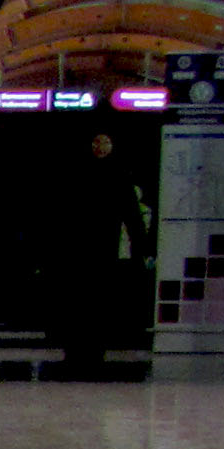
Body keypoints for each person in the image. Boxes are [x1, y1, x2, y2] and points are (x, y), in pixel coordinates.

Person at [54, 127, 154, 379]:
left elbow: (132, 216)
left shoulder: (114, 175)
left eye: (104, 143)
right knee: (83, 300)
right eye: (97, 143)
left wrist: (141, 246)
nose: (100, 148)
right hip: (82, 250)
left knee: (93, 300)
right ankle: (80, 350)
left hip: (98, 250)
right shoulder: (89, 174)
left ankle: (89, 350)